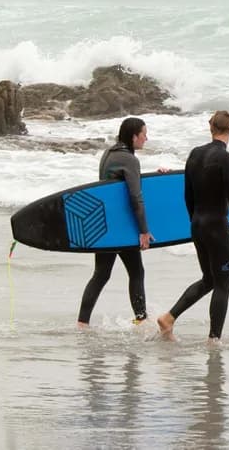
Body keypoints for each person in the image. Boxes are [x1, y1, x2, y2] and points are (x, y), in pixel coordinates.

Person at [157, 111, 229, 342]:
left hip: (198, 224)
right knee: (223, 282)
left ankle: (169, 318)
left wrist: (195, 222)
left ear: (210, 127)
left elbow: (187, 195)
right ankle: (214, 340)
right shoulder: (226, 159)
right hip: (216, 226)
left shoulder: (195, 154)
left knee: (210, 279)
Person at [77, 116, 153, 327]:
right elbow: (135, 197)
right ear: (133, 136)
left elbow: (119, 187)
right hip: (121, 227)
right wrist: (144, 230)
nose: (146, 138)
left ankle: (82, 323)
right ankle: (141, 321)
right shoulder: (130, 160)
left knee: (101, 274)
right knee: (136, 272)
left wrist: (158, 177)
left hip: (103, 225)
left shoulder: (109, 154)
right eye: (144, 134)